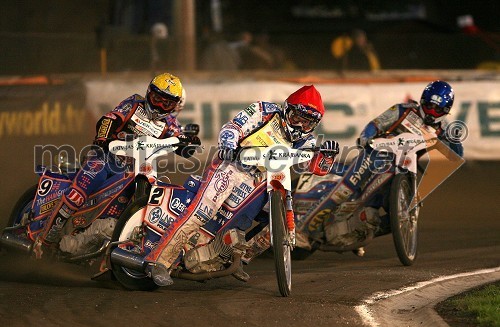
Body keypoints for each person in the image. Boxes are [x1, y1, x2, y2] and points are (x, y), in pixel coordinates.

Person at [143, 85, 339, 286]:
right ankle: (157, 261)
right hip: (232, 167)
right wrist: (228, 143)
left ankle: (236, 257)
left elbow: (312, 166)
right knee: (201, 212)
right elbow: (234, 126)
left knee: (274, 225)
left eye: (307, 123)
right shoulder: (265, 111)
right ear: (287, 109)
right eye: (296, 117)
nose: (299, 125)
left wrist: (326, 157)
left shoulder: (307, 140)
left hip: (263, 181)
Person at [32, 72, 199, 258]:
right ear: (148, 93)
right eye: (156, 99)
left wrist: (188, 143)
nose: (160, 106)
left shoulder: (171, 124)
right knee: (79, 192)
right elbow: (110, 118)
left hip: (135, 170)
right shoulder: (134, 104)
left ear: (173, 106)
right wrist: (102, 138)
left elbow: (181, 143)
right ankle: (45, 240)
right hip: (106, 158)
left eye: (166, 103)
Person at [305, 80, 464, 245]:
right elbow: (376, 124)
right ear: (422, 102)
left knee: (402, 215)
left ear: (446, 111)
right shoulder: (402, 110)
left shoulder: (443, 130)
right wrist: (367, 137)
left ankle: (359, 233)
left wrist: (454, 140)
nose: (431, 112)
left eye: (437, 109)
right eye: (429, 106)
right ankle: (310, 223)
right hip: (375, 157)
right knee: (346, 188)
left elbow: (456, 155)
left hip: (404, 169)